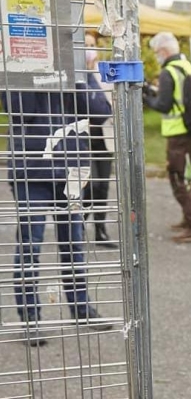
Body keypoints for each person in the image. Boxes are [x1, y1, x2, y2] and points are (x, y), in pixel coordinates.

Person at [2, 66, 114, 346]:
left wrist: (75, 77)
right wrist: (39, 72)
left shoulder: (77, 67)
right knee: (30, 244)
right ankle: (31, 319)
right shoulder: (16, 66)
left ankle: (82, 310)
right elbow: (19, 109)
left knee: (74, 243)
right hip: (32, 171)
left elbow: (100, 111)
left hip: (72, 171)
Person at [145, 32, 191, 242]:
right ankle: (188, 219)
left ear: (163, 51)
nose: (156, 57)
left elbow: (163, 105)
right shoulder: (187, 65)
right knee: (185, 174)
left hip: (179, 133)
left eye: (156, 53)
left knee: (179, 177)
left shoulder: (168, 71)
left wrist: (146, 97)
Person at [82, 33, 117, 248]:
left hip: (104, 136)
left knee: (102, 185)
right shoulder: (73, 75)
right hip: (83, 137)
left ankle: (100, 230)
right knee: (89, 183)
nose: (89, 50)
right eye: (85, 45)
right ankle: (78, 227)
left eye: (92, 45)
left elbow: (115, 100)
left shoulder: (104, 73)